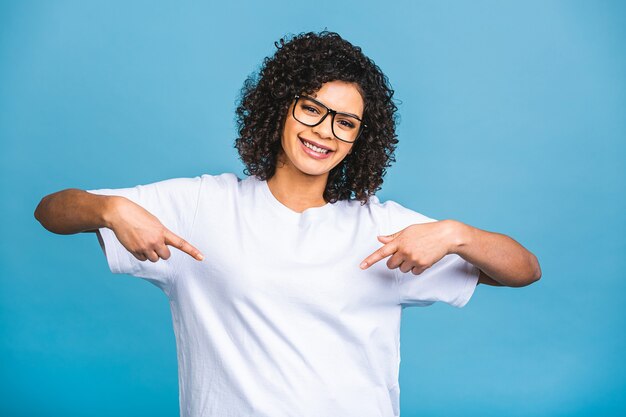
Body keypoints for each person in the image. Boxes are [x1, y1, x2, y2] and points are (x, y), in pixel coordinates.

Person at [34, 30, 541, 417]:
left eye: (345, 122)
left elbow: (524, 270)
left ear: (360, 138)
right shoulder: (201, 205)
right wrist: (108, 209)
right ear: (281, 109)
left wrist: (456, 234)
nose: (325, 132)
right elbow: (50, 212)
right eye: (311, 109)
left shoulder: (382, 226)